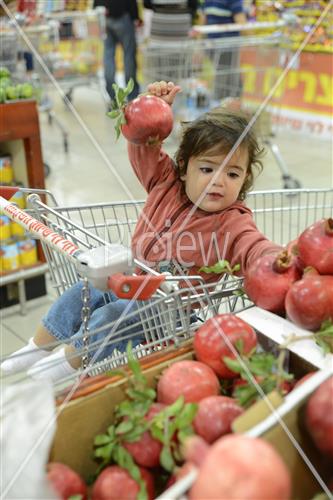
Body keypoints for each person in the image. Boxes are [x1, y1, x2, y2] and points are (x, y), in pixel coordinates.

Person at [1, 81, 281, 382]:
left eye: (233, 173)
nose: (218, 181)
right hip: (131, 280)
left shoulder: (233, 221)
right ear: (184, 167)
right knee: (81, 292)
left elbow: (255, 247)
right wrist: (150, 112)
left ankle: (54, 371)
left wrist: (278, 258)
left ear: (244, 181)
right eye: (207, 168)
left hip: (170, 311)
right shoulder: (165, 182)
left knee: (110, 319)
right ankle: (34, 349)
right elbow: (142, 146)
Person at [93, 0, 140, 103]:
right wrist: (135, 17)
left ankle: (112, 95)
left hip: (106, 18)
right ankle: (132, 96)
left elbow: (96, 4)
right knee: (128, 56)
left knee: (108, 56)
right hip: (123, 16)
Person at [201, 0, 247, 100]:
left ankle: (224, 105)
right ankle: (223, 107)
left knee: (226, 78)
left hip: (212, 44)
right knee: (228, 80)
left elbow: (203, 20)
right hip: (227, 46)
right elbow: (242, 23)